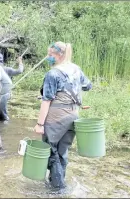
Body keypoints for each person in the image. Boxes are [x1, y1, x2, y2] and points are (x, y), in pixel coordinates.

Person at [34, 41, 92, 190]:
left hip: (55, 119)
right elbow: (87, 85)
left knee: (50, 152)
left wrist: (40, 124)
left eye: (50, 55)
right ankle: (56, 182)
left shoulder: (52, 73)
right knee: (62, 151)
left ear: (59, 55)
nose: (48, 57)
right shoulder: (76, 69)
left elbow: (46, 101)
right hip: (73, 116)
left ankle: (58, 189)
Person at [0, 52, 24, 122]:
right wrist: (20, 62)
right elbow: (20, 71)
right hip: (5, 94)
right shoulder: (7, 69)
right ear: (2, 60)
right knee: (3, 114)